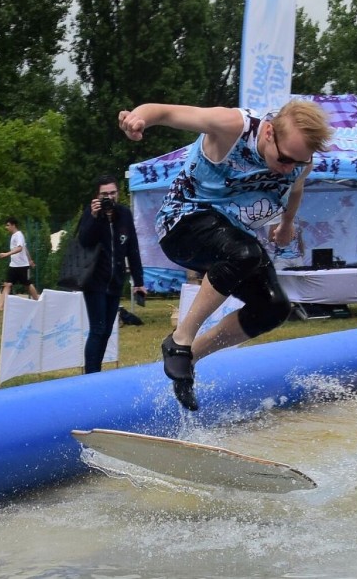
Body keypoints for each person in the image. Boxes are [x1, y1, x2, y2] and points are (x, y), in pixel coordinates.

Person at [118, 100, 332, 411]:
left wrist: (287, 223)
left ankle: (190, 357)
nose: (288, 168)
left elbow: (296, 188)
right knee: (244, 254)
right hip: (182, 224)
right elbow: (165, 112)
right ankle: (181, 339)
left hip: (229, 236)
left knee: (273, 307)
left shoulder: (299, 159)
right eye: (284, 159)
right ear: (269, 132)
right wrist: (138, 119)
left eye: (298, 162)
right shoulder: (232, 127)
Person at [78, 174, 147, 374]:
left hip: (115, 281)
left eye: (112, 193)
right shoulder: (91, 215)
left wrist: (138, 281)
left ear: (118, 193)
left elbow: (133, 248)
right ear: (97, 196)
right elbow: (84, 241)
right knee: (97, 329)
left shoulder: (124, 214)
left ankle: (96, 372)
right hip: (94, 282)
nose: (109, 197)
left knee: (107, 331)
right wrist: (93, 217)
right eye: (104, 194)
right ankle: (90, 375)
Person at [0, 217, 39, 311]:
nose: (6, 227)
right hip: (13, 265)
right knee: (7, 284)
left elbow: (20, 248)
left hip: (21, 265)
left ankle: (38, 302)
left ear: (13, 225)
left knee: (27, 284)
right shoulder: (14, 236)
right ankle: (1, 306)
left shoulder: (18, 235)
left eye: (8, 225)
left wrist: (6, 254)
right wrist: (30, 260)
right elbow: (25, 248)